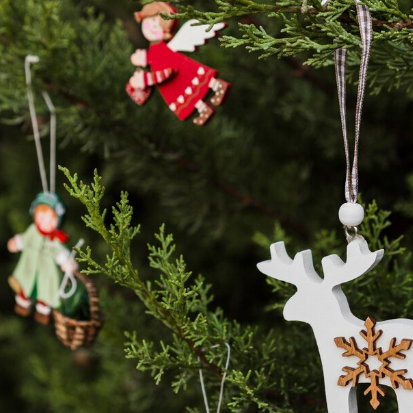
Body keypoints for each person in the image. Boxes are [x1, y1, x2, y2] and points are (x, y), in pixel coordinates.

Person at [126, 2, 230, 126]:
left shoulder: (162, 48)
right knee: (186, 93)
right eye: (151, 20)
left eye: (157, 21)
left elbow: (166, 71)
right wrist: (143, 59)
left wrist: (147, 79)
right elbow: (153, 59)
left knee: (194, 81)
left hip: (180, 70)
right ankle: (203, 110)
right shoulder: (154, 49)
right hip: (172, 80)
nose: (153, 26)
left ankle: (218, 85)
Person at [7, 192, 78, 324]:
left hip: (47, 270)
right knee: (25, 284)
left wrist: (67, 263)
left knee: (46, 289)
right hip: (29, 264)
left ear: (58, 220)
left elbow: (60, 253)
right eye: (41, 217)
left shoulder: (54, 239)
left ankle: (43, 311)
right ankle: (23, 303)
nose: (45, 223)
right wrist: (16, 243)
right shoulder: (33, 230)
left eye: (50, 219)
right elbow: (24, 239)